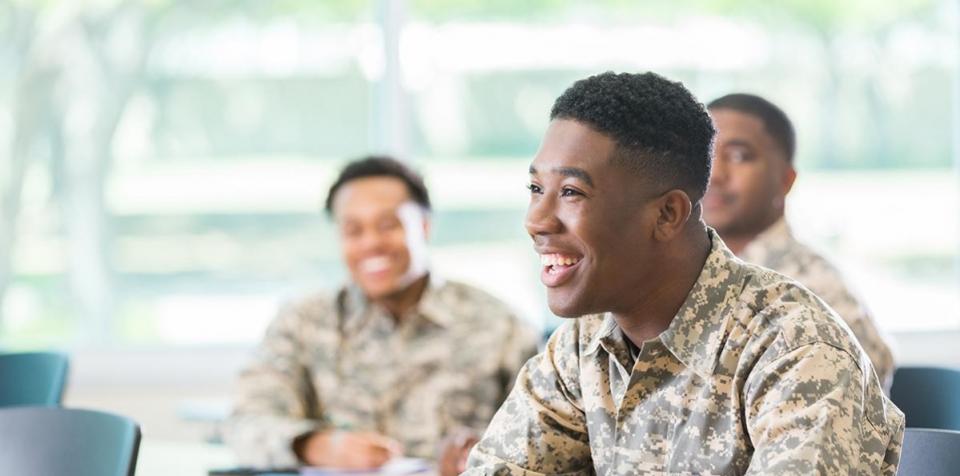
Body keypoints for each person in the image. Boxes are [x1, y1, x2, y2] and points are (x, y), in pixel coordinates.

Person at [464, 72, 904, 475]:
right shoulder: (584, 344)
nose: (536, 221)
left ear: (668, 214)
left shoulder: (796, 350)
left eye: (572, 192)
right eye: (536, 189)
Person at [223, 156, 538, 473]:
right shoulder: (302, 323)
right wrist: (316, 445)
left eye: (388, 225)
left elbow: (546, 440)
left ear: (424, 226)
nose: (371, 243)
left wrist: (485, 458)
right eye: (353, 230)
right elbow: (244, 425)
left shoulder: (500, 325)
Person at [703, 93, 895, 387]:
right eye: (705, 155)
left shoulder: (818, 290)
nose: (714, 174)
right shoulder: (682, 275)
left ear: (786, 180)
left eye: (739, 156)